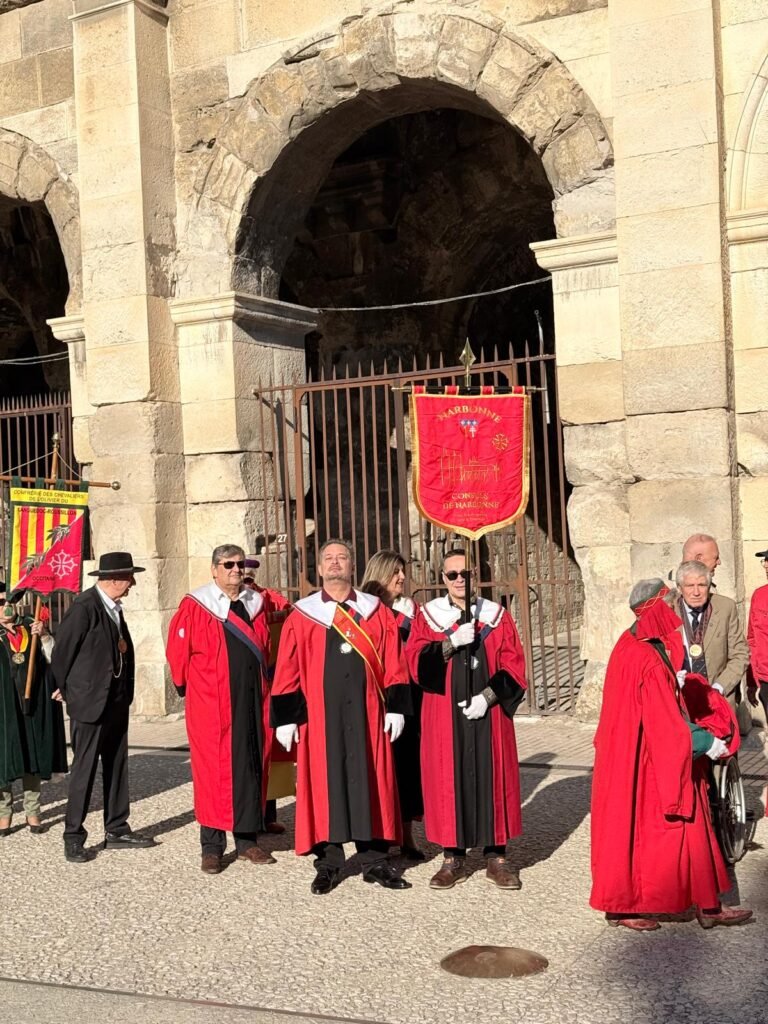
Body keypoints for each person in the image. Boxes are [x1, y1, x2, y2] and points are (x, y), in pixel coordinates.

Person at [591, 578, 752, 930]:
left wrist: (672, 679)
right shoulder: (644, 657)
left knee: (692, 828)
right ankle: (627, 906)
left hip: (641, 753)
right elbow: (663, 722)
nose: (675, 614)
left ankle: (707, 906)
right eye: (669, 606)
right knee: (652, 829)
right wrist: (706, 743)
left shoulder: (635, 644)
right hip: (645, 760)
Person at [270, 538, 411, 895]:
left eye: (342, 558)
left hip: (369, 713)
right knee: (324, 782)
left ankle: (374, 860)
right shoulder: (302, 615)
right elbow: (286, 666)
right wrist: (286, 716)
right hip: (319, 718)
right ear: (318, 569)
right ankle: (329, 862)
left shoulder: (375, 611)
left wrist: (396, 706)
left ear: (352, 566)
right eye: (328, 559)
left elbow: (394, 660)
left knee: (372, 780)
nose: (335, 563)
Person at [406, 548, 527, 891]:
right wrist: (448, 643)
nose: (460, 580)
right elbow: (414, 662)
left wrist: (488, 697)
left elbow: (514, 667)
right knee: (448, 775)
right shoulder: (429, 617)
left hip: (488, 716)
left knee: (493, 775)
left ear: (474, 575)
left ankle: (496, 857)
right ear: (442, 579)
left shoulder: (496, 616)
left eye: (465, 574)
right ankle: (452, 856)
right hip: (444, 712)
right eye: (452, 574)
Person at [166, 544, 275, 875]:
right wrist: (189, 689)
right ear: (214, 569)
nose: (235, 570)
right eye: (228, 564)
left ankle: (247, 841)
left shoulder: (256, 603)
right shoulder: (196, 606)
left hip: (253, 701)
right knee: (213, 772)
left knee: (250, 766)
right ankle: (211, 847)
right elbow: (178, 653)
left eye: (240, 564)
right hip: (213, 706)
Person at [52, 552, 155, 863]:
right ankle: (73, 835)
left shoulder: (114, 609)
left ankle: (117, 828)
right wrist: (64, 689)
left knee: (117, 765)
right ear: (114, 579)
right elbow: (61, 653)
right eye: (129, 578)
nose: (132, 583)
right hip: (89, 703)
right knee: (84, 768)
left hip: (116, 701)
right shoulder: (84, 608)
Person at [361, 549, 424, 860]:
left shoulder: (412, 612)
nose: (402, 577)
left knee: (406, 767)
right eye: (395, 571)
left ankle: (407, 833)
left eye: (403, 571)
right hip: (373, 699)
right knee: (376, 768)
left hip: (407, 699)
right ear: (380, 573)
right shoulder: (363, 610)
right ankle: (378, 834)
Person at [0, 585, 67, 836]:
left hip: (32, 703)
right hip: (3, 707)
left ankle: (32, 811)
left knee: (32, 755)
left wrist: (47, 636)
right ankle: (4, 813)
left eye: (8, 601)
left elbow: (53, 659)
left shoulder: (32, 626)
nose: (5, 606)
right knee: (3, 759)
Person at [242, 557, 292, 837]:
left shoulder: (270, 597)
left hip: (272, 681)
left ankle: (268, 814)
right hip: (245, 683)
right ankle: (249, 815)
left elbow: (289, 615)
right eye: (243, 577)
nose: (246, 582)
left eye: (250, 578)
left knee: (272, 754)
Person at [674, 560, 749, 709]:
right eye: (690, 586)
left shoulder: (725, 607)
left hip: (718, 700)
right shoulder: (667, 611)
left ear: (709, 587)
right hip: (679, 701)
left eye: (702, 585)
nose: (696, 592)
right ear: (679, 588)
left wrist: (719, 688)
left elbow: (740, 654)